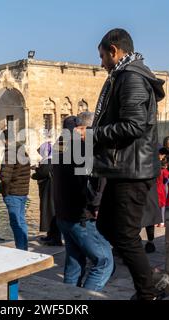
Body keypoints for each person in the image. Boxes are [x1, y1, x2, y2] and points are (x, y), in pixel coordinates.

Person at [75, 29, 166, 299]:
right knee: (106, 226)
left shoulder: (131, 78)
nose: (101, 63)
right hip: (121, 167)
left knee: (124, 234)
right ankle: (149, 278)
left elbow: (134, 125)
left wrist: (93, 134)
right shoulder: (123, 76)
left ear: (114, 51)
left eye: (102, 56)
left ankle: (147, 291)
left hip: (132, 170)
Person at [54, 116, 114, 291]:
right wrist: (95, 206)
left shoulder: (60, 145)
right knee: (104, 262)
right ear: (81, 129)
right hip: (79, 217)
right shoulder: (81, 146)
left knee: (74, 263)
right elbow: (92, 180)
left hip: (63, 214)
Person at [0, 130, 31, 251]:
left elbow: (5, 177)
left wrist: (4, 190)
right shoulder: (22, 151)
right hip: (23, 192)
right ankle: (24, 247)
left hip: (13, 193)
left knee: (16, 223)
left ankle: (21, 250)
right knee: (21, 222)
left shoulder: (10, 152)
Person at [32, 141, 62, 246]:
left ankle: (55, 238)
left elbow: (42, 173)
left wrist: (34, 174)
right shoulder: (52, 160)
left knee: (50, 212)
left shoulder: (48, 161)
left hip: (49, 191)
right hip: (51, 190)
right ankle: (51, 236)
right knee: (50, 213)